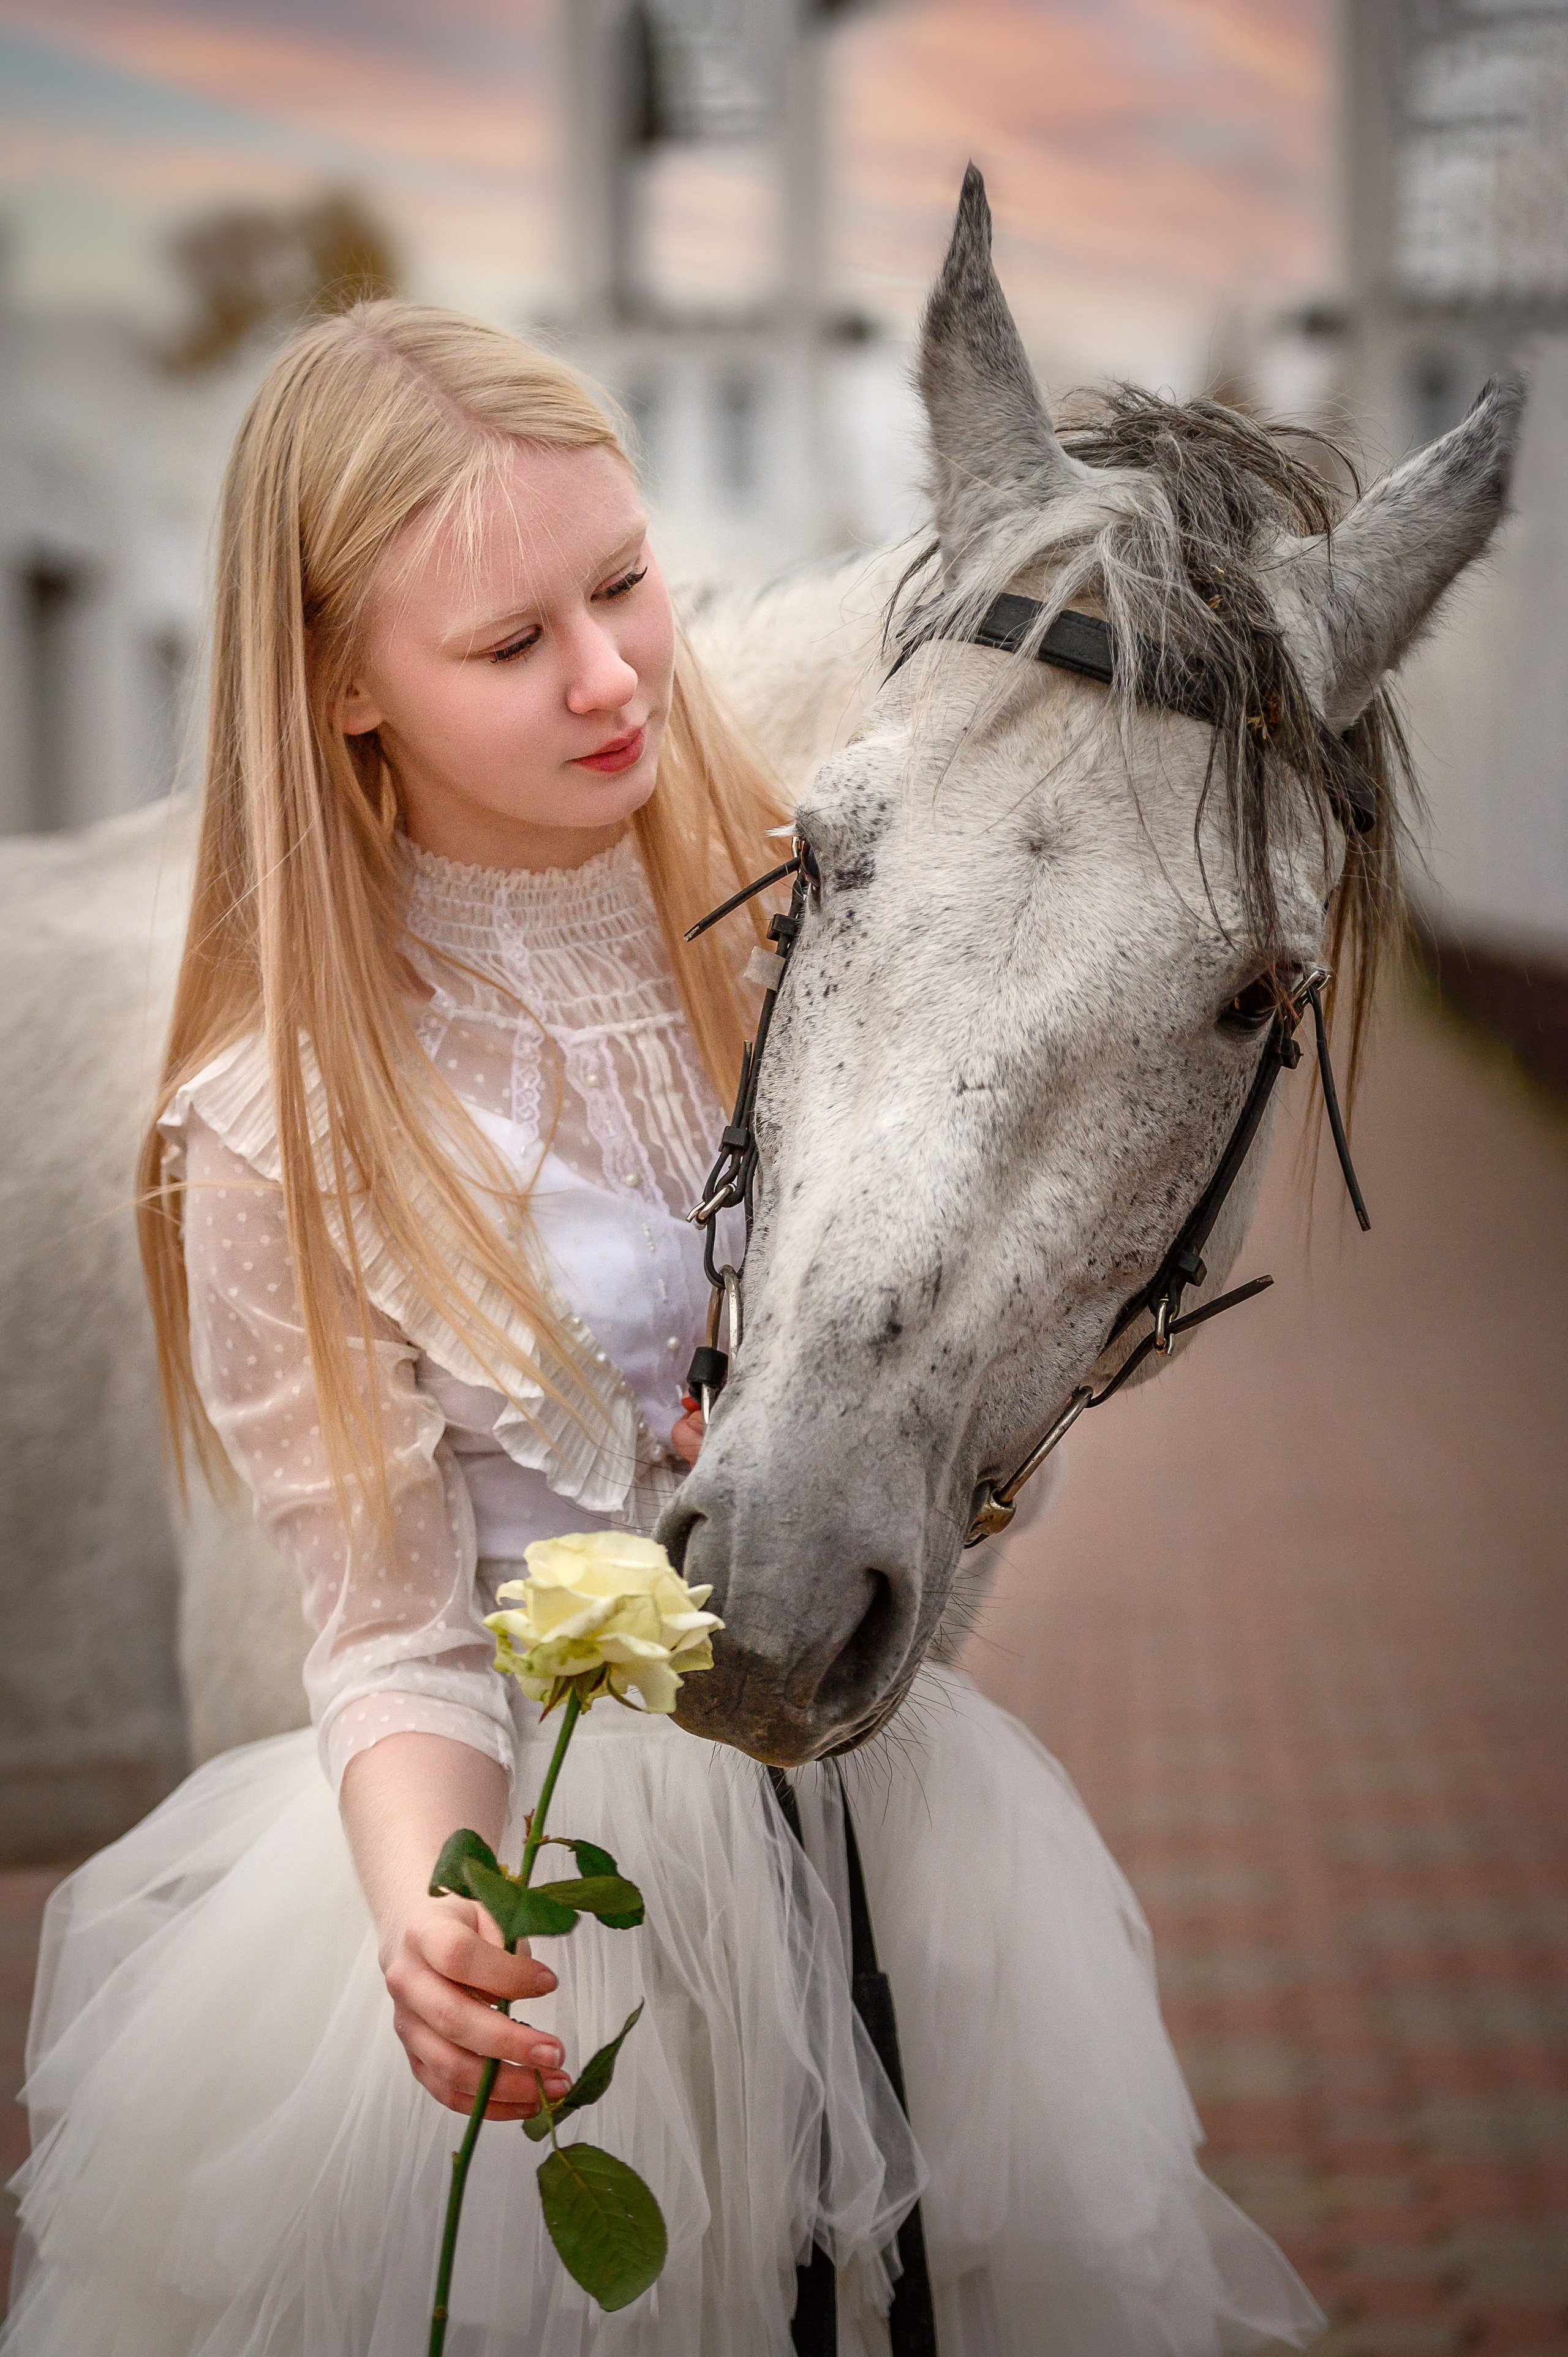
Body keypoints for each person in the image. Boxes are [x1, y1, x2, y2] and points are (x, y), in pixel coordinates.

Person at [2, 302, 1326, 2357]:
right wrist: (440, 1897)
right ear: (345, 687)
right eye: (511, 644)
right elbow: (379, 1627)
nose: (615, 674)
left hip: (892, 1843)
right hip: (558, 1883)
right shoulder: (291, 1115)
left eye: (624, 584)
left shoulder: (825, 922)